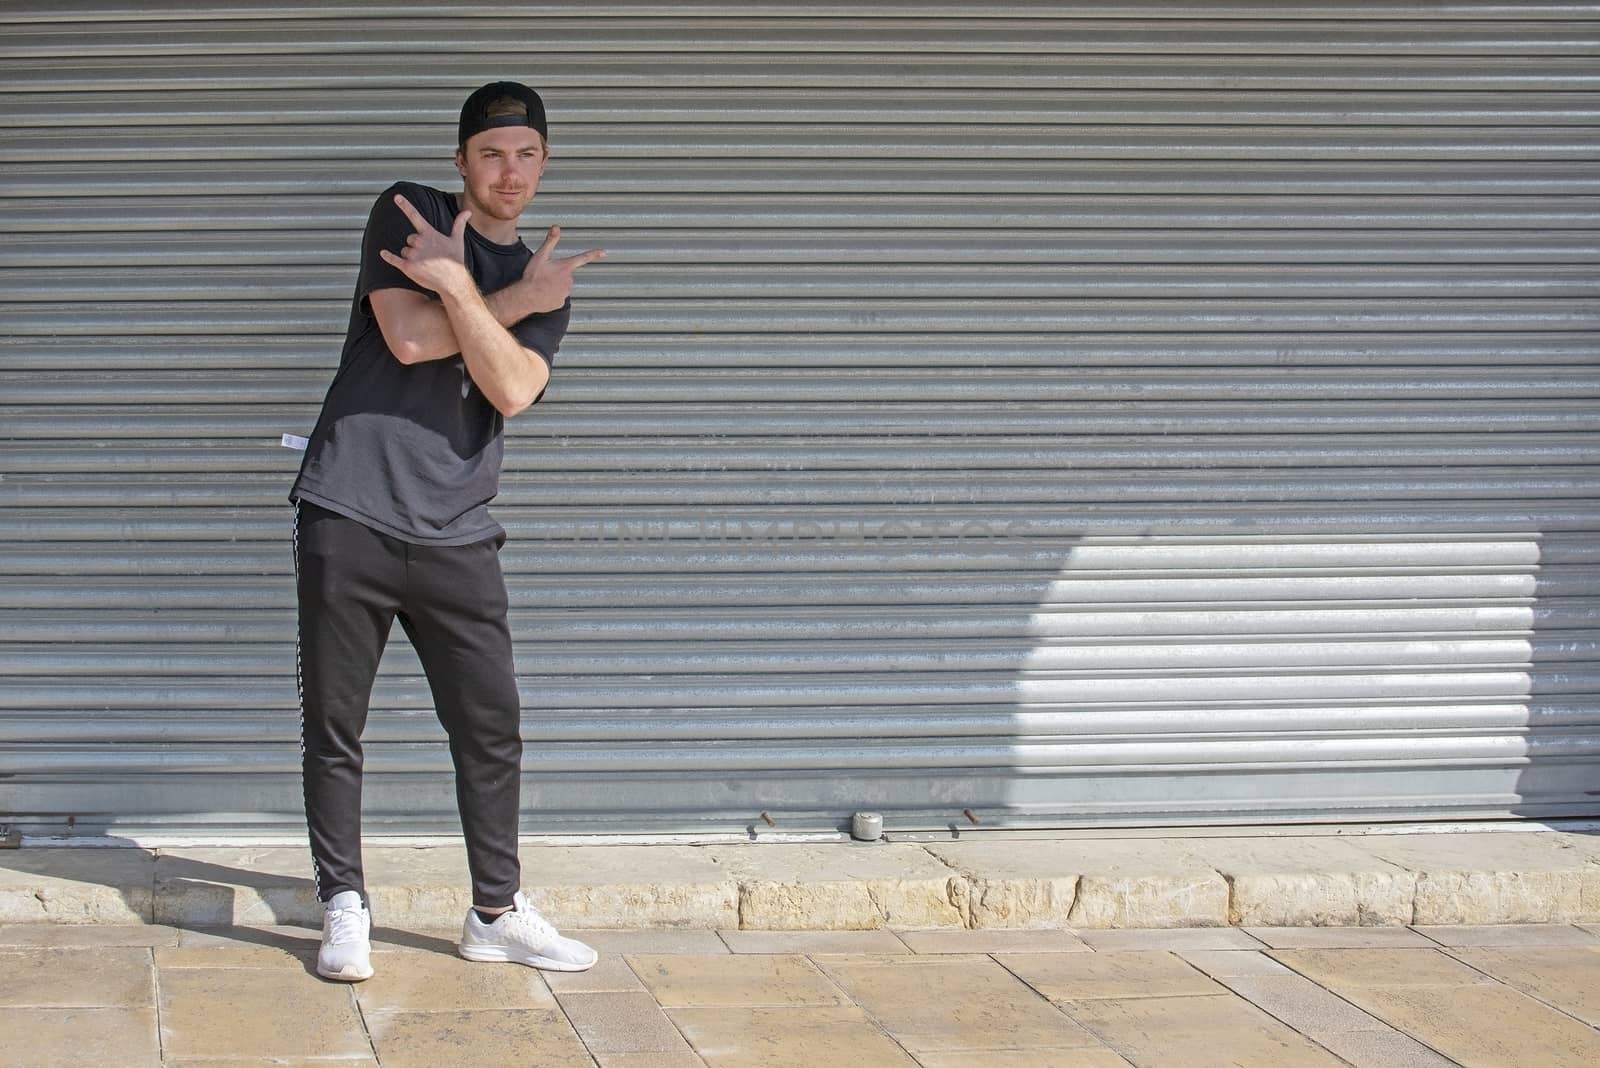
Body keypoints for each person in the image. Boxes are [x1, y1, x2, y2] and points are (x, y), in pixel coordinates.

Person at [288, 81, 605, 982]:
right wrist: (489, 291)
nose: (511, 172)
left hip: (459, 526)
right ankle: (343, 905)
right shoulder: (410, 213)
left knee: (491, 725)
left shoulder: (550, 279)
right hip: (350, 504)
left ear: (544, 165)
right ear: (461, 159)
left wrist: (467, 289)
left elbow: (510, 389)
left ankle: (494, 912)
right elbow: (410, 340)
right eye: (494, 153)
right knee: (336, 727)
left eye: (528, 155)